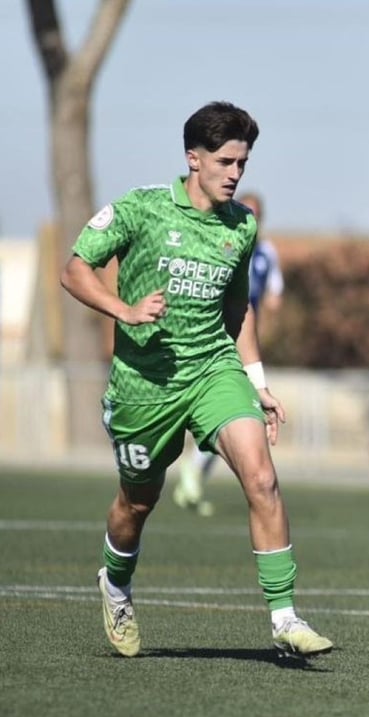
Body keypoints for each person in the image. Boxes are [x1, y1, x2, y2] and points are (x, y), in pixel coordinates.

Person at [59, 101, 332, 659]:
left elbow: (240, 309)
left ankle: (285, 617)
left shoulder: (242, 226)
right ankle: (115, 584)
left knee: (261, 477)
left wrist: (256, 381)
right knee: (138, 503)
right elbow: (74, 270)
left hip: (213, 369)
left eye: (243, 163)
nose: (235, 173)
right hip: (145, 383)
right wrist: (124, 309)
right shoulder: (141, 210)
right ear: (193, 158)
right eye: (226, 161)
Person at [173, 190, 285, 516]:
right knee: (233, 413)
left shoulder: (266, 252)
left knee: (237, 413)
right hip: (213, 340)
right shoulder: (217, 239)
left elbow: (275, 296)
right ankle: (190, 473)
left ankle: (190, 483)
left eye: (256, 212)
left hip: (244, 341)